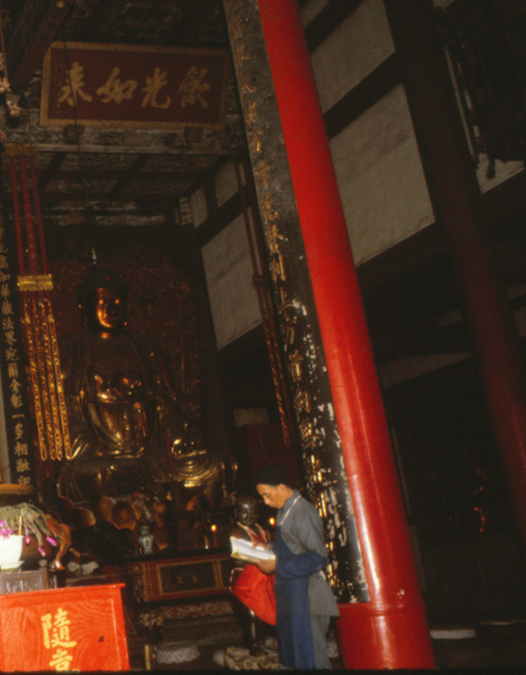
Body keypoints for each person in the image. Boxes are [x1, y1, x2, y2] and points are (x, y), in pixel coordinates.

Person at [56, 267, 221, 510]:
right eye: (103, 302)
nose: (111, 309)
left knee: (213, 466)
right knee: (102, 475)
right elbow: (65, 414)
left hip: (151, 457)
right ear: (84, 307)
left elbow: (166, 407)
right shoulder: (74, 348)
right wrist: (98, 449)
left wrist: (176, 440)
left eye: (118, 302)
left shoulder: (145, 348)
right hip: (103, 458)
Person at [253, 465, 339, 669]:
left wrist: (278, 564)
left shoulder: (302, 512)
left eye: (267, 495)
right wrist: (269, 546)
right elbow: (293, 547)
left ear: (281, 487)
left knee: (311, 661)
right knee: (292, 660)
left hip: (307, 599)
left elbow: (317, 558)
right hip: (292, 599)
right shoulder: (285, 510)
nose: (265, 501)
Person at [227, 494, 276, 651]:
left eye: (253, 512)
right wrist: (256, 556)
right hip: (245, 579)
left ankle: (261, 643)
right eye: (245, 512)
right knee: (251, 614)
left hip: (263, 576)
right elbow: (236, 558)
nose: (249, 516)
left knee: (263, 611)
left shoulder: (261, 529)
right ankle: (254, 645)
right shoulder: (236, 531)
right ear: (236, 513)